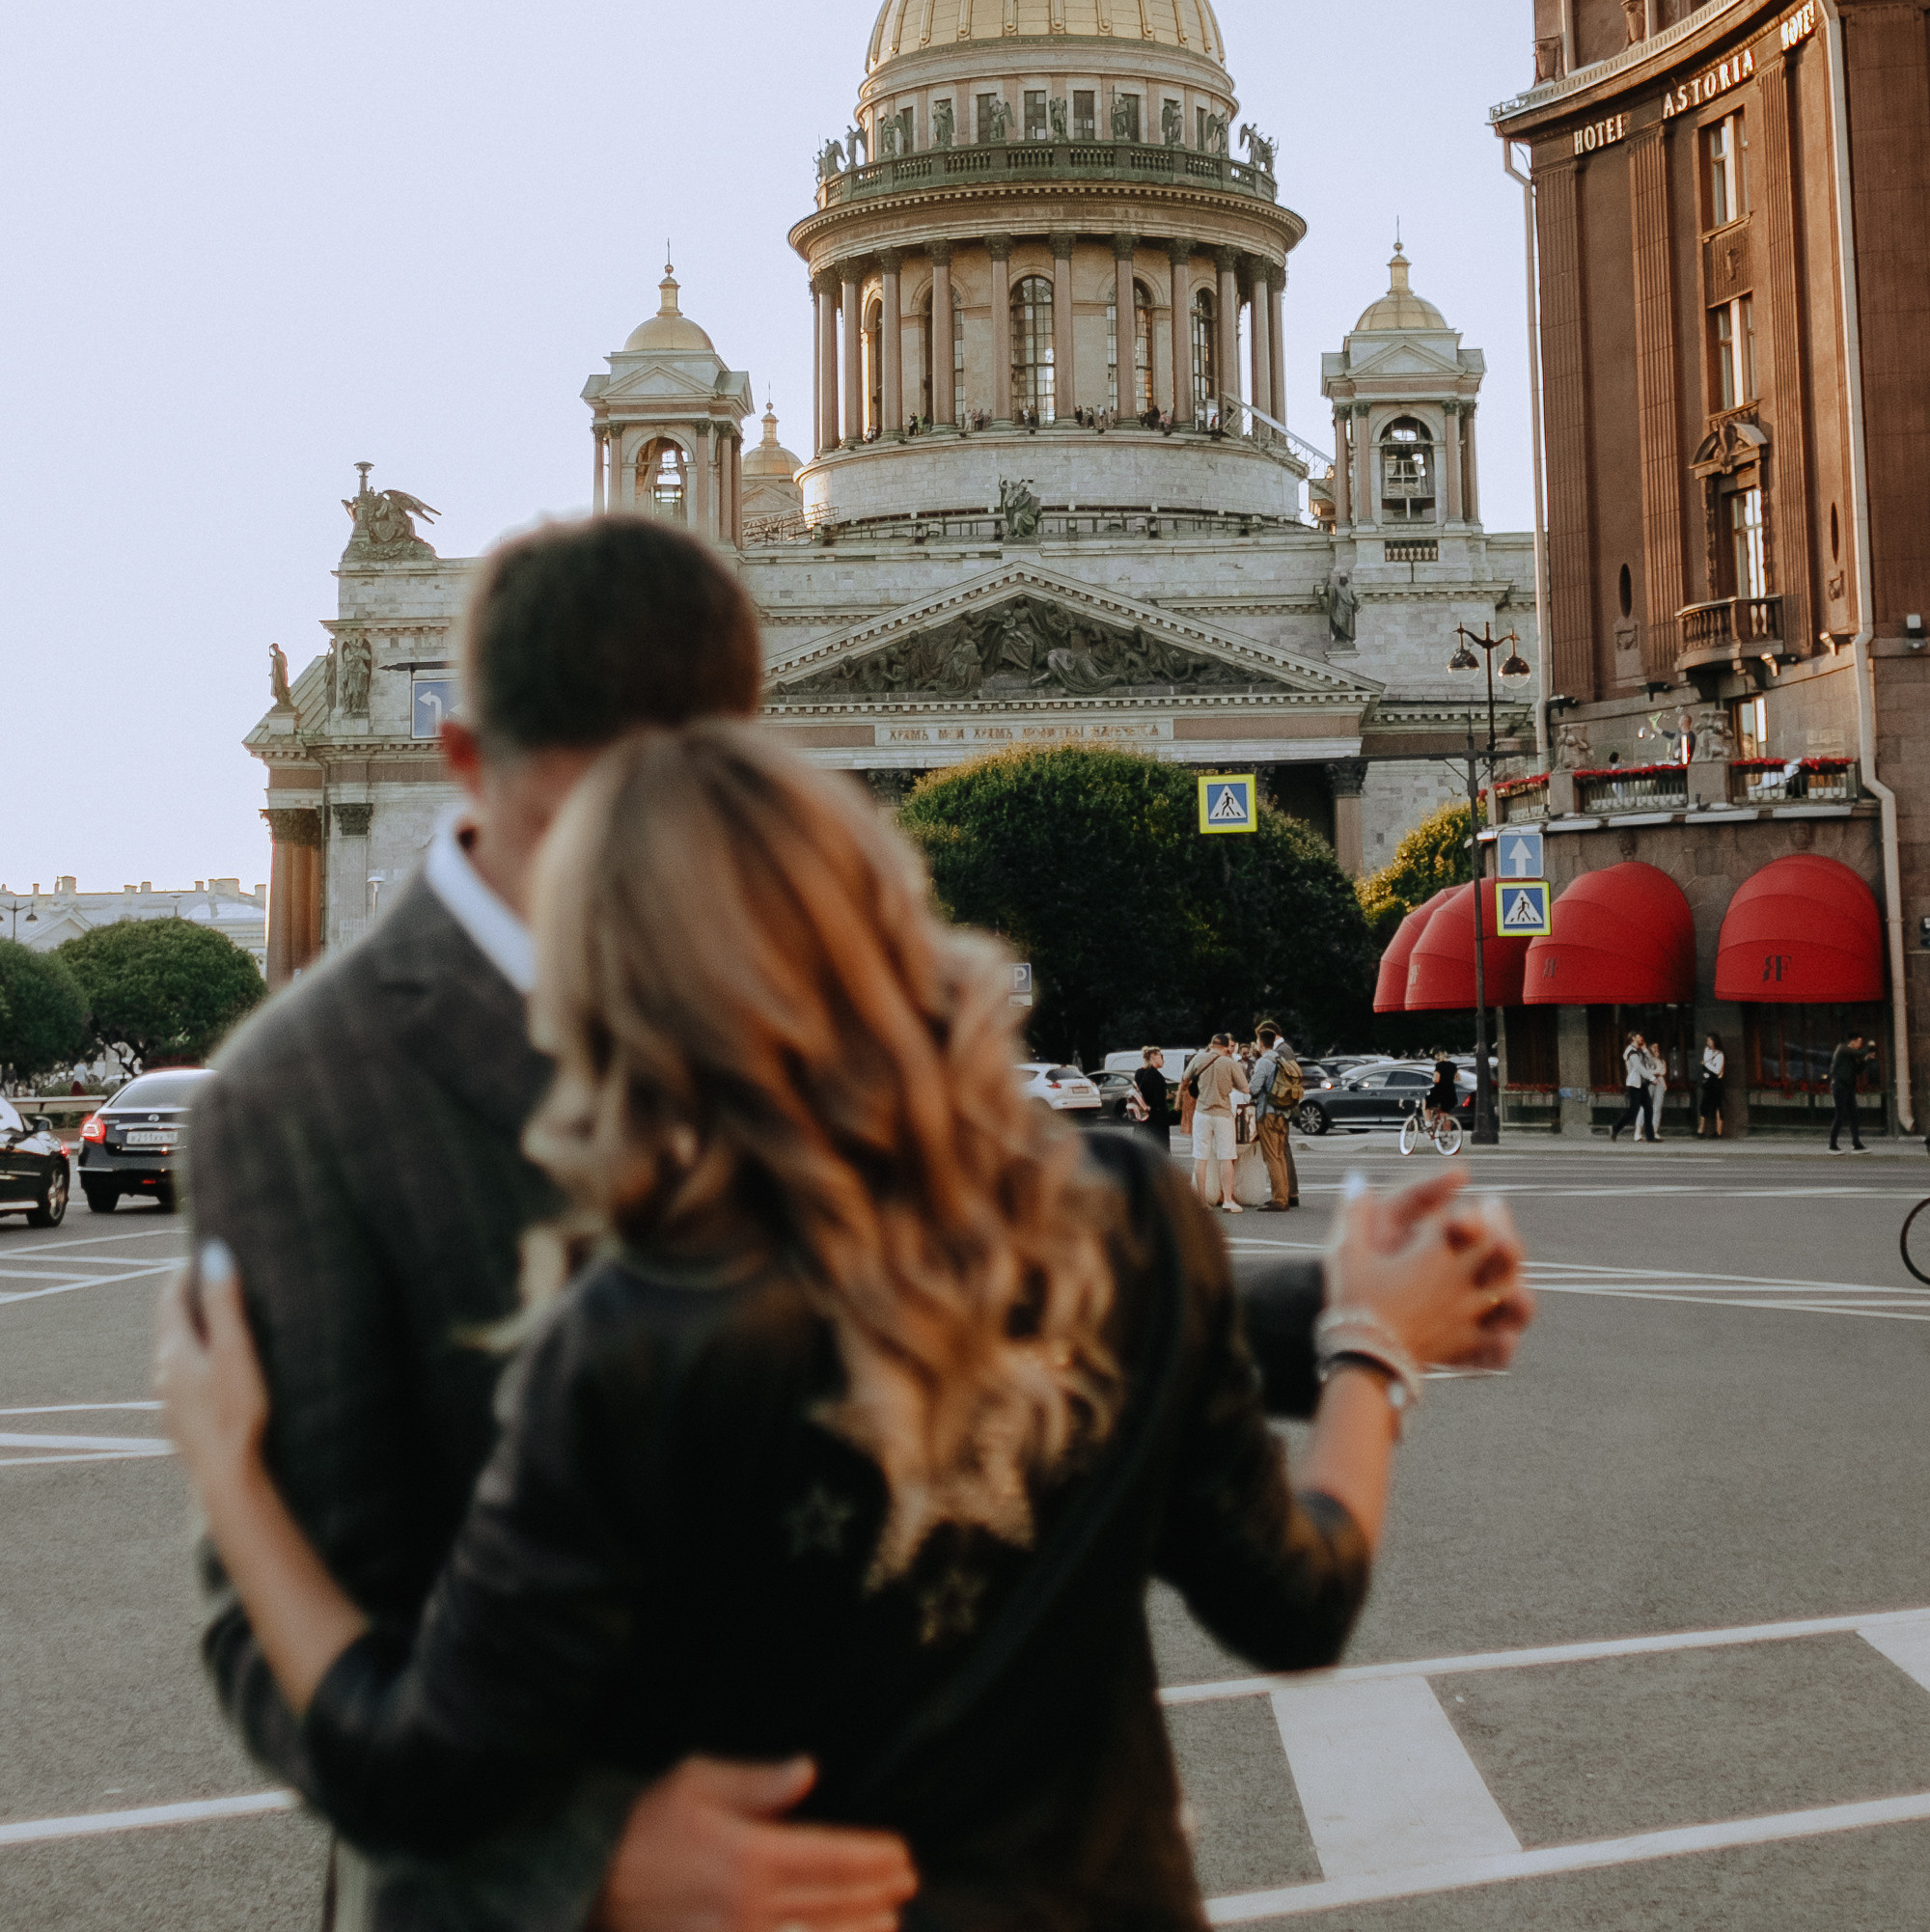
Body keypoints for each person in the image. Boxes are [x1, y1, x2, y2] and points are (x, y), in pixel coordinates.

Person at [160, 725, 1530, 1931]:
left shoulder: (631, 1339)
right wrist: (1367, 1342)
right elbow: (1300, 1604)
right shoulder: (1116, 1218)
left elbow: (414, 1762)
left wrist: (234, 1481)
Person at [185, 516, 918, 1932]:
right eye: (598, 794)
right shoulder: (298, 1097)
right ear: (465, 759)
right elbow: (280, 1628)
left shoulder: (801, 1012)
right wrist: (600, 1865)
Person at [1184, 1033, 1249, 1213]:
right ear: (1228, 1046)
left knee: (1201, 1157)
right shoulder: (1230, 1063)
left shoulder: (1198, 1059)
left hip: (1202, 1112)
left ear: (1211, 1044)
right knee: (1226, 1157)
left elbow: (1185, 1078)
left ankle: (1201, 1200)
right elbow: (1244, 1087)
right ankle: (1228, 1199)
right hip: (1223, 1113)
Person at [1247, 1024, 1301, 1209]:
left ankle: (1279, 1199)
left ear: (1261, 1043)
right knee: (1279, 1156)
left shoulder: (1264, 1061)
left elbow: (1253, 1088)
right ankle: (1284, 1195)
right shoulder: (1281, 1059)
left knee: (1271, 1157)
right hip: (1282, 1113)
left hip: (1267, 1113)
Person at [1830, 1033, 1870, 1152]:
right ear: (1853, 1041)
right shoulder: (1842, 1048)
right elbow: (1860, 1052)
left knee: (1854, 1115)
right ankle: (1832, 1145)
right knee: (1840, 1115)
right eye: (1859, 1042)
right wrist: (1870, 1047)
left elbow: (1858, 1070)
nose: (1860, 1045)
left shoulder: (1851, 1054)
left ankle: (1856, 1144)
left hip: (1849, 1087)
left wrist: (1866, 1061)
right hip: (1839, 1086)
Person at [1132, 1045, 1172, 1154]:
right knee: (1160, 1149)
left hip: (1143, 1115)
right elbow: (1157, 1097)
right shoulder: (1154, 1075)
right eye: (1161, 1056)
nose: (1163, 1059)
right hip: (1156, 1117)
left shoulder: (1139, 1073)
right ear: (1152, 1057)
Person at [1611, 1030, 1647, 1142]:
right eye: (1638, 1036)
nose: (1640, 1038)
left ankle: (1645, 1133)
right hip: (1634, 1084)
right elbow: (1638, 1067)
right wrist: (1652, 1077)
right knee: (1633, 1111)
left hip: (1642, 1083)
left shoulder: (1639, 1050)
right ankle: (1616, 1128)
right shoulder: (1630, 1051)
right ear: (1633, 1038)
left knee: (1647, 1108)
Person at [1697, 1032, 1725, 1139]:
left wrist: (1707, 1064)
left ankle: (1718, 1132)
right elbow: (1705, 1061)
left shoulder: (1720, 1054)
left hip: (1716, 1083)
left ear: (1714, 1041)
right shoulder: (1707, 1051)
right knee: (1704, 1105)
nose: (1707, 1042)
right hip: (1708, 1083)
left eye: (1709, 1040)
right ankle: (1701, 1130)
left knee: (1718, 1106)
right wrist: (1708, 1064)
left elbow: (1717, 1070)